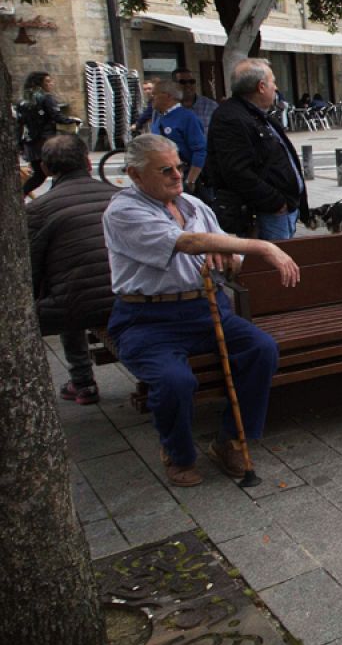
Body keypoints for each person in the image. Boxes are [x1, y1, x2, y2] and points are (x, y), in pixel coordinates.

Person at [103, 134, 300, 486]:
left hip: (202, 306)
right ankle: (177, 452)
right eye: (165, 170)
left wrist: (229, 259)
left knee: (262, 349)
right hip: (146, 319)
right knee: (175, 380)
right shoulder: (124, 210)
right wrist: (262, 247)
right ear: (135, 174)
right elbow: (189, 243)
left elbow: (225, 252)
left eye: (178, 166)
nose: (177, 175)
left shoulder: (194, 206)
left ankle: (230, 439)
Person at [28, 135, 118, 405]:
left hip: (75, 306)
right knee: (72, 288)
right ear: (88, 164)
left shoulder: (38, 210)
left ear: (45, 169)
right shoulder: (119, 196)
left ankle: (82, 381)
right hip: (127, 297)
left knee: (66, 292)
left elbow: (31, 273)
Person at [205, 59, 306, 239]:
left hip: (281, 210)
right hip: (265, 212)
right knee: (273, 265)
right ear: (261, 86)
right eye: (273, 82)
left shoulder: (256, 114)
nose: (275, 88)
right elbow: (236, 171)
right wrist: (275, 202)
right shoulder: (231, 118)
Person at [18, 71, 80, 197]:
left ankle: (20, 197)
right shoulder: (46, 97)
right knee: (60, 171)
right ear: (40, 83)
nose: (51, 84)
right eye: (48, 81)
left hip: (31, 144)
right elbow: (56, 116)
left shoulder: (22, 101)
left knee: (39, 175)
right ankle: (55, 198)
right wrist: (73, 121)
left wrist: (19, 144)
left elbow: (19, 124)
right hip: (46, 142)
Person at [147, 75, 208, 194]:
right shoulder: (159, 116)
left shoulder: (187, 118)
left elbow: (200, 150)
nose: (151, 98)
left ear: (168, 96)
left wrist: (191, 180)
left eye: (155, 94)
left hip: (183, 176)